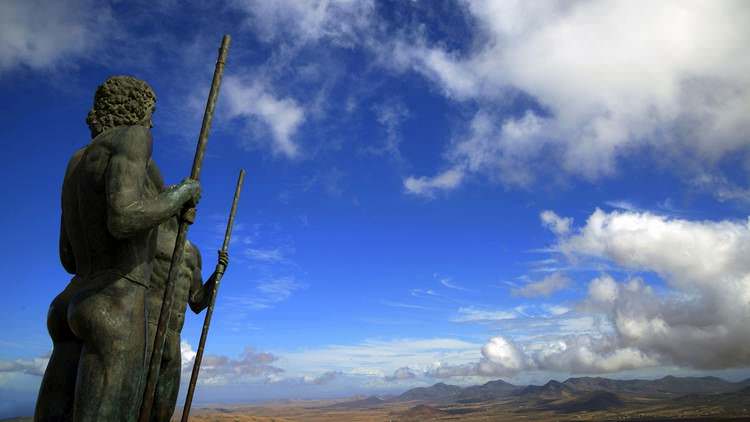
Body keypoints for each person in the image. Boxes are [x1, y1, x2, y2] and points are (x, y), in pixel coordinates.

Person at [35, 76, 201, 422]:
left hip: (71, 302)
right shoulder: (133, 137)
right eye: (151, 112)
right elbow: (124, 218)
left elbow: (67, 256)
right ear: (137, 108)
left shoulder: (75, 162)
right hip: (117, 303)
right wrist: (181, 194)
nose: (151, 122)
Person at [144, 210, 228, 422]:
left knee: (164, 408)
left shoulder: (192, 253)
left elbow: (197, 303)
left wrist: (217, 275)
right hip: (145, 327)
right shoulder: (148, 237)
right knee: (134, 402)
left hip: (173, 335)